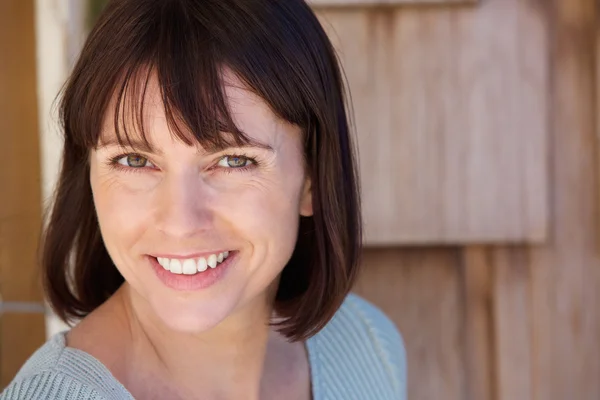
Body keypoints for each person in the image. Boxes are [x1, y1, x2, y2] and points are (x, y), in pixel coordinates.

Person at [1, 0, 406, 399]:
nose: (180, 220)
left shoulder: (368, 348)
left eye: (233, 160)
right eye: (134, 159)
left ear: (313, 178)